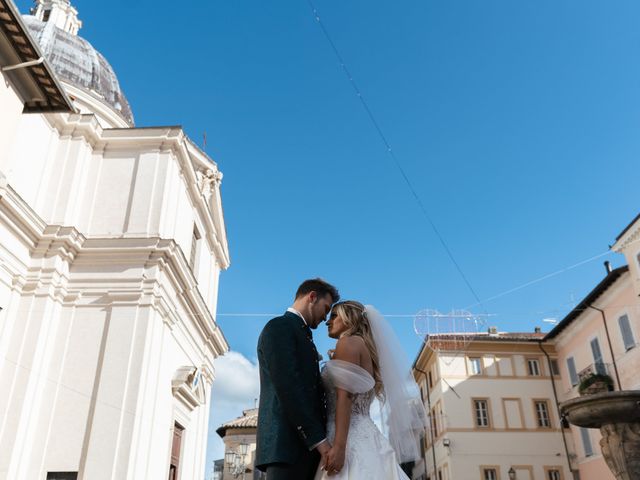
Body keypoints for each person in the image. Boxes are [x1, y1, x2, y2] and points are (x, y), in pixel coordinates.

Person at [315, 301, 427, 479]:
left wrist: (339, 447)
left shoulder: (348, 343)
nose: (328, 322)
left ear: (350, 318)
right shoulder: (365, 348)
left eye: (334, 316)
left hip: (347, 437)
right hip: (365, 434)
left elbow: (345, 397)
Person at [255, 278, 340, 480]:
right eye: (326, 308)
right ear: (312, 297)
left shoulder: (302, 334)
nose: (325, 317)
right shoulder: (279, 327)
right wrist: (320, 441)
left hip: (302, 450)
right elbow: (289, 388)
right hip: (286, 447)